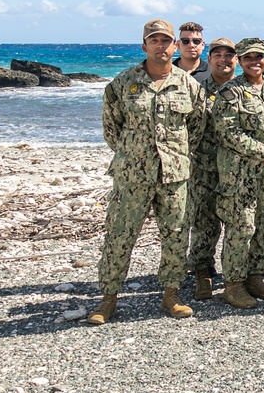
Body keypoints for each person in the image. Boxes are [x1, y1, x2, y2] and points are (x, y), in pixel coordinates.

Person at [88, 19, 206, 325]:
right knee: (119, 235)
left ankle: (171, 294)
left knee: (176, 236)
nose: (161, 45)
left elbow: (196, 128)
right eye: (154, 40)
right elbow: (111, 128)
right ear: (144, 46)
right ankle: (108, 298)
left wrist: (176, 156)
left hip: (173, 176)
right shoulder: (122, 83)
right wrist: (133, 156)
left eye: (166, 40)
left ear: (175, 46)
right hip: (132, 177)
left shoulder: (188, 85)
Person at [213, 38, 264, 309]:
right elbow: (228, 132)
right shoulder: (230, 92)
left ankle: (255, 276)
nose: (254, 62)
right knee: (240, 228)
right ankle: (233, 284)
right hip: (240, 175)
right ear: (240, 61)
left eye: (259, 57)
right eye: (248, 58)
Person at [185, 37, 238, 301]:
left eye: (229, 55)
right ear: (210, 58)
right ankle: (202, 272)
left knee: (239, 223)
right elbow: (184, 128)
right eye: (218, 55)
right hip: (204, 168)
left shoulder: (245, 90)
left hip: (238, 171)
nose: (223, 60)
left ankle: (238, 276)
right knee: (204, 222)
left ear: (236, 60)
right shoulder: (196, 90)